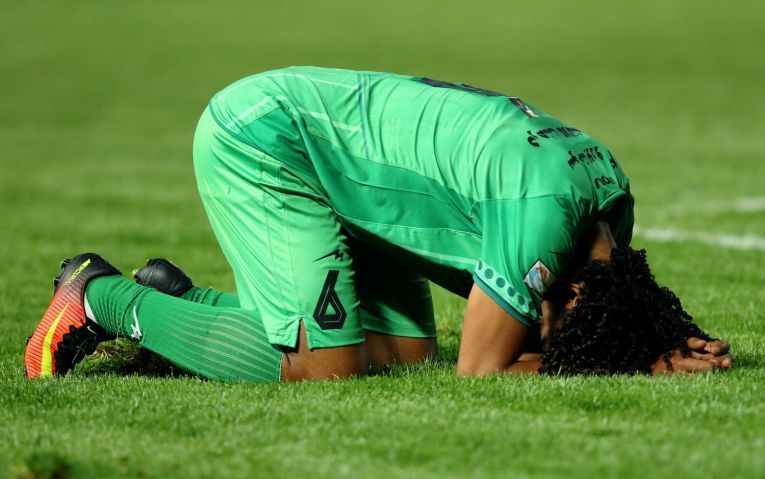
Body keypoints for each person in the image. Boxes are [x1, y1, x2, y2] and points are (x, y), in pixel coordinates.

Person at [24, 67, 732, 382]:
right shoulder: (540, 220)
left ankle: (182, 304)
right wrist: (625, 362)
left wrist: (652, 335)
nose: (548, 337)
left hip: (351, 170)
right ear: (568, 288)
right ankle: (100, 296)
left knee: (400, 355)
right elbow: (482, 369)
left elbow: (580, 314)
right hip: (271, 140)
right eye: (564, 328)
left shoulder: (607, 206)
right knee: (324, 368)